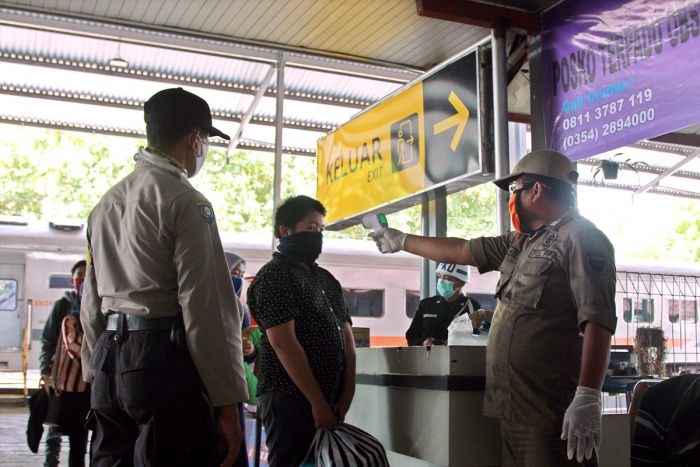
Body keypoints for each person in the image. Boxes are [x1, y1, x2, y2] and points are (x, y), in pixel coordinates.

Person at [371, 150, 616, 466]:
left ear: (537, 189)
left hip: (550, 410)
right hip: (512, 406)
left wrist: (588, 395)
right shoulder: (521, 242)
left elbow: (597, 321)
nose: (510, 200)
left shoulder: (582, 238)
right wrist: (401, 240)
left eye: (514, 191)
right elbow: (461, 249)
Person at [80, 87, 248, 467]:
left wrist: (97, 370)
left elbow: (91, 300)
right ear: (194, 140)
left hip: (110, 359)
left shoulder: (105, 204)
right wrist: (226, 402)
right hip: (161, 360)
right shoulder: (186, 201)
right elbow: (206, 309)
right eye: (206, 140)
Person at [247, 195, 356, 466]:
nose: (317, 236)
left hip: (329, 397)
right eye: (311, 228)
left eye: (321, 230)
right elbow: (285, 344)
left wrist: (348, 391)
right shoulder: (274, 277)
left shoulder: (325, 279)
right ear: (286, 230)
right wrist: (316, 402)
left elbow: (346, 335)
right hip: (290, 397)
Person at [39, 260, 89, 467]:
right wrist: (45, 370)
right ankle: (50, 464)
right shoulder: (63, 306)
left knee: (79, 433)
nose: (82, 280)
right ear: (72, 279)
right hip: (61, 378)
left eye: (86, 276)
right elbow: (48, 339)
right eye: (79, 275)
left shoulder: (96, 304)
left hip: (84, 382)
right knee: (54, 427)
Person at [405, 263, 482, 346]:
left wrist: (458, 342)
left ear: (461, 283)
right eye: (440, 277)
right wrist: (423, 342)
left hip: (459, 356)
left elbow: (479, 339)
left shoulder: (472, 307)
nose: (441, 281)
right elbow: (411, 336)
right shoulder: (426, 305)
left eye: (448, 279)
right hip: (429, 356)